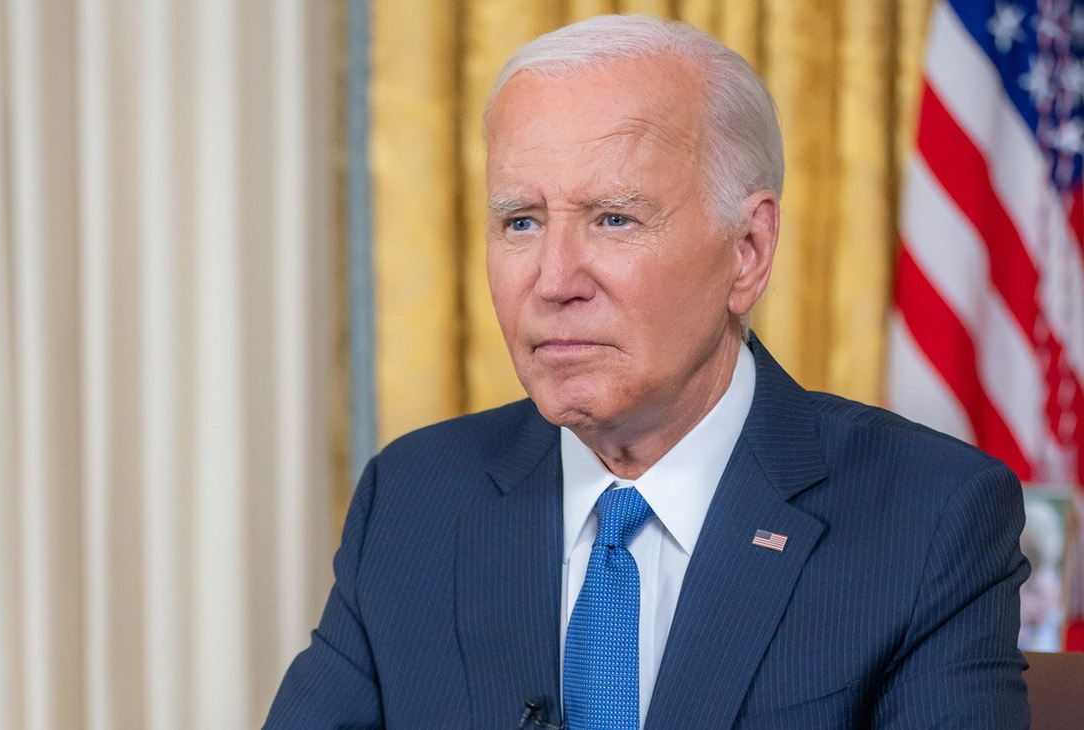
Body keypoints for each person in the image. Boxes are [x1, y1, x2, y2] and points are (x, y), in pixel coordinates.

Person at [265, 14, 1029, 730]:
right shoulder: (413, 499)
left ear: (747, 252)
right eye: (520, 222)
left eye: (614, 219)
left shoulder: (929, 517)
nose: (556, 278)